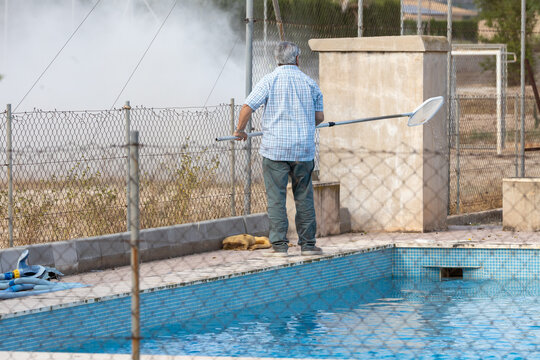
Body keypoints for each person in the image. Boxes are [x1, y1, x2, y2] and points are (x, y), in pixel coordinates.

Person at [234, 41, 324, 257]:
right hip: (303, 150)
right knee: (304, 197)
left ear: (277, 60)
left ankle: (280, 246)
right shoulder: (310, 83)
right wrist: (303, 123)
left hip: (275, 150)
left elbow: (248, 107)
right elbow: (319, 117)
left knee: (276, 198)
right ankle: (308, 245)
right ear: (297, 59)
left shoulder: (269, 80)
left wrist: (240, 130)